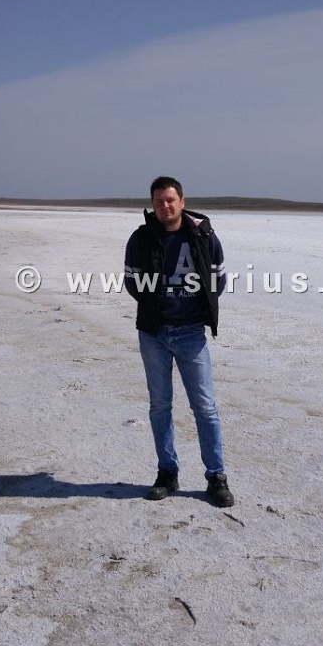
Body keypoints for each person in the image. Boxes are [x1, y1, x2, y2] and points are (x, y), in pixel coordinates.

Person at [124, 176, 234, 507]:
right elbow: (132, 281)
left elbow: (218, 278)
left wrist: (194, 308)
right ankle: (167, 473)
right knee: (160, 406)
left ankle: (216, 477)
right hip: (154, 334)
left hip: (191, 334)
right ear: (153, 205)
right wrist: (156, 305)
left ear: (182, 202)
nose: (165, 206)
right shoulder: (141, 238)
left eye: (170, 200)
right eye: (159, 201)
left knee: (205, 407)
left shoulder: (203, 235)